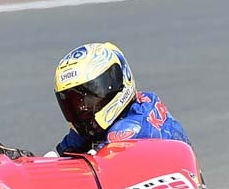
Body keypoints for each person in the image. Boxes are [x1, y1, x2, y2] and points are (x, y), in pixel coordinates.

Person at [51, 42, 190, 155]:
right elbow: (60, 154)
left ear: (117, 82)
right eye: (74, 103)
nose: (82, 108)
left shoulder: (130, 128)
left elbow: (98, 168)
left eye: (90, 97)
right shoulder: (96, 127)